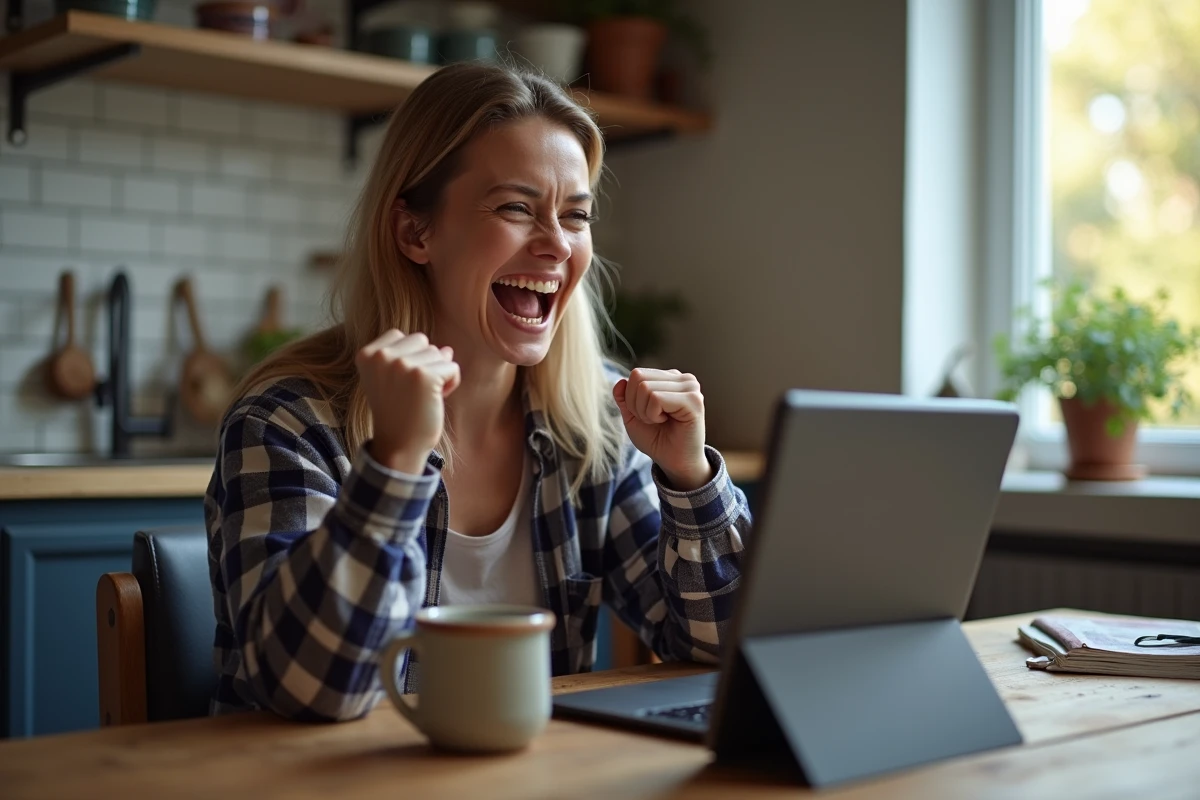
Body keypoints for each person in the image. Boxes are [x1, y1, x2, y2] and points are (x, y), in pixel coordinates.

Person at [205, 63, 752, 722]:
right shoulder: (288, 421)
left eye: (575, 216)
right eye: (516, 208)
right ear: (415, 233)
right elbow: (312, 691)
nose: (556, 245)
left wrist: (690, 478)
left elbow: (726, 648)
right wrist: (394, 464)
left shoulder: (594, 423)